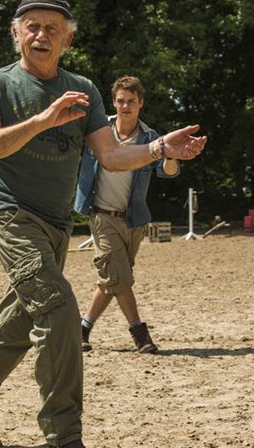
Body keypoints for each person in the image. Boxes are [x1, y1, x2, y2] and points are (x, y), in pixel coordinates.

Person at [0, 0, 206, 448]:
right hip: (10, 213)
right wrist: (42, 119)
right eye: (32, 26)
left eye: (52, 28)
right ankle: (64, 433)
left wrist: (160, 147)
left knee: (20, 323)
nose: (42, 35)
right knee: (58, 308)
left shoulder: (83, 89)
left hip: (57, 223)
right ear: (17, 33)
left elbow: (112, 155)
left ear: (67, 38)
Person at [74, 75, 179, 354]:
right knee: (119, 276)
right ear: (114, 102)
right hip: (101, 215)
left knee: (114, 279)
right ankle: (139, 333)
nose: (125, 106)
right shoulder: (98, 130)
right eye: (120, 100)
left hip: (133, 220)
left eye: (131, 101)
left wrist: (171, 155)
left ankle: (81, 329)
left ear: (141, 103)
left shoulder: (151, 138)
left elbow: (168, 173)